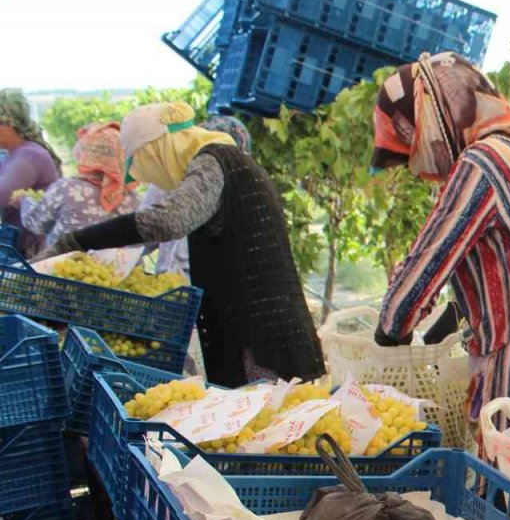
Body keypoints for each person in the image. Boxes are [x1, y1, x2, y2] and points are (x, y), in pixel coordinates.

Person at [39, 101, 325, 388]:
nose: (152, 178)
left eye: (145, 165)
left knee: (262, 424)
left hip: (261, 341)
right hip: (254, 332)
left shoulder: (216, 162)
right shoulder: (223, 160)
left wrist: (80, 239)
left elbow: (168, 221)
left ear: (157, 150)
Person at [370, 51, 510, 435]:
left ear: (437, 112)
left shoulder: (482, 162)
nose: (418, 165)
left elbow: (425, 267)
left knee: (506, 489)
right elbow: (501, 265)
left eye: (413, 139)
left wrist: (392, 327)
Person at [138, 115, 254, 280]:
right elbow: (143, 235)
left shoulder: (237, 202)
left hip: (202, 296)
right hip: (164, 289)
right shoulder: (167, 182)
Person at [18, 122, 139, 252]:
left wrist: (25, 200)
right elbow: (142, 244)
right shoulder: (133, 199)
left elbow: (35, 223)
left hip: (61, 268)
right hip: (116, 271)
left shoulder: (66, 189)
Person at [0, 88, 63, 257]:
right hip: (15, 245)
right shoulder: (14, 153)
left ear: (8, 125)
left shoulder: (29, 155)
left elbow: (3, 194)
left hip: (28, 251)